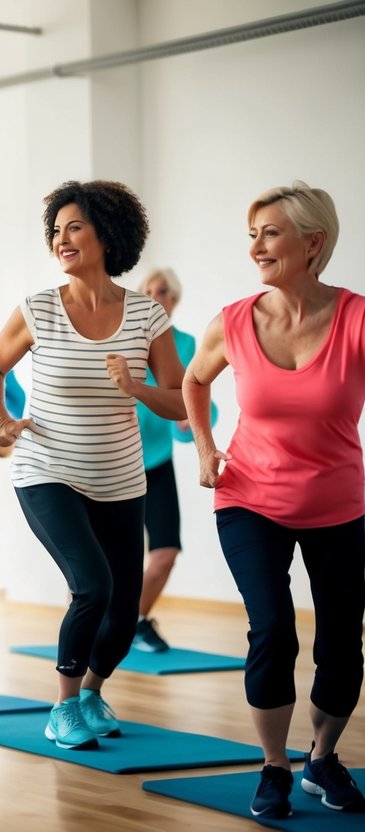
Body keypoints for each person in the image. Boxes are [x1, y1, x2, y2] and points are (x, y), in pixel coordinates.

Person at [0, 180, 185, 751]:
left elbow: (180, 398)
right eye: (56, 230)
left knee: (123, 606)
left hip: (120, 477)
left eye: (74, 227)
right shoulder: (39, 308)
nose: (61, 239)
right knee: (91, 585)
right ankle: (63, 705)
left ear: (107, 234)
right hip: (47, 468)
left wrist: (136, 387)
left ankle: (92, 691)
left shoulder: (147, 317)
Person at [184, 181, 364, 818]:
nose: (257, 247)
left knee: (343, 641)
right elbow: (194, 379)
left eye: (271, 233)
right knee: (274, 629)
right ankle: (274, 767)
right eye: (253, 234)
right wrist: (205, 447)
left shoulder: (358, 318)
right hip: (249, 498)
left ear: (313, 242)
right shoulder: (232, 322)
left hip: (339, 503)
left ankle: (322, 757)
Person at [132, 268, 216, 653]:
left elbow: (202, 409)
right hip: (116, 460)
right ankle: (105, 623)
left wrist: (187, 423)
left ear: (174, 300)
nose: (154, 296)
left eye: (162, 291)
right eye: (147, 290)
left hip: (158, 462)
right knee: (105, 560)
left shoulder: (185, 344)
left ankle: (132, 621)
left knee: (165, 554)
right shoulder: (125, 339)